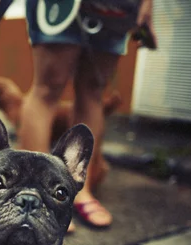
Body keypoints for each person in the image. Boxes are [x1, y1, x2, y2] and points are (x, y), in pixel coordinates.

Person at [19, 0, 156, 230]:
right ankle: (36, 193)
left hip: (118, 8)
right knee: (49, 86)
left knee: (93, 90)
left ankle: (79, 191)